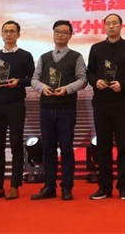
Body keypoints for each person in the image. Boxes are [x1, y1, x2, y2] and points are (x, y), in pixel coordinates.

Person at [30, 20, 87, 201]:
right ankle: (49, 186)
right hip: (46, 108)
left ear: (70, 35)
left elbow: (83, 79)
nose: (60, 35)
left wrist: (67, 89)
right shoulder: (44, 57)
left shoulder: (76, 57)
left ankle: (67, 187)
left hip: (66, 109)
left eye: (64, 32)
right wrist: (42, 88)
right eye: (57, 31)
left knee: (66, 149)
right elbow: (34, 79)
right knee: (48, 149)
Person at [86, 13, 125, 200]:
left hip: (123, 102)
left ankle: (124, 187)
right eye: (108, 23)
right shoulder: (96, 48)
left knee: (124, 146)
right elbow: (90, 73)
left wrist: (122, 84)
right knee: (103, 146)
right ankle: (104, 187)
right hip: (101, 103)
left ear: (121, 26)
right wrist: (96, 81)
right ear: (104, 26)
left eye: (114, 23)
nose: (111, 26)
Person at [0, 20, 35, 200]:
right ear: (1, 34)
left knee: (16, 144)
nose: (9, 34)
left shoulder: (25, 56)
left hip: (16, 104)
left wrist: (18, 82)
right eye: (6, 31)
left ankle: (14, 185)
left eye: (12, 31)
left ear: (18, 34)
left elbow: (32, 79)